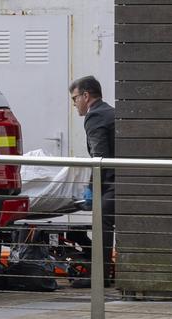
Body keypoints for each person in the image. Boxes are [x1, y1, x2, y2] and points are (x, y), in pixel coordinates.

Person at [68, 75, 115, 287]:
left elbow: (99, 157)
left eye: (75, 98)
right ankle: (102, 274)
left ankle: (100, 278)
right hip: (120, 179)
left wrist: (91, 188)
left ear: (86, 96)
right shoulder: (108, 111)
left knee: (102, 220)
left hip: (114, 181)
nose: (74, 103)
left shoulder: (95, 116)